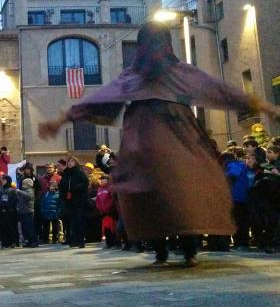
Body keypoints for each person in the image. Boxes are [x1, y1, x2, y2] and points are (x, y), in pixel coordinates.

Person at [39, 22, 280, 266]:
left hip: (155, 136)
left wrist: (60, 119)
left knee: (163, 192)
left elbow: (219, 90)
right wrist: (265, 107)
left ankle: (172, 249)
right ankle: (177, 249)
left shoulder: (151, 74)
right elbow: (221, 90)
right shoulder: (152, 73)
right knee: (166, 191)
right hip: (166, 135)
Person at [59, 156, 90, 248]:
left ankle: (81, 240)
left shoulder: (80, 173)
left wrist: (75, 188)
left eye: (72, 162)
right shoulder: (65, 174)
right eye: (69, 162)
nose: (69, 163)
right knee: (72, 222)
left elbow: (85, 183)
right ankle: (74, 240)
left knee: (79, 220)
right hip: (69, 201)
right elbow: (62, 186)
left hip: (79, 200)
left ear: (76, 163)